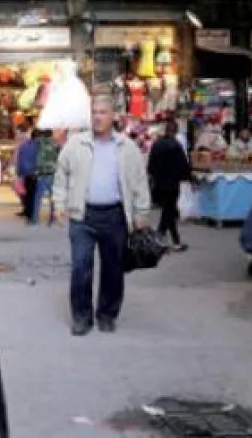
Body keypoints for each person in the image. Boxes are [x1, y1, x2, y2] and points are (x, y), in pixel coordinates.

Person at [52, 95, 151, 336]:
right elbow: (61, 175)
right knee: (80, 268)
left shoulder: (127, 148)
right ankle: (82, 318)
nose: (97, 117)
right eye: (94, 112)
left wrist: (141, 212)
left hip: (115, 216)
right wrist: (59, 203)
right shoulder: (76, 145)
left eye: (102, 112)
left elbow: (139, 182)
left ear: (114, 116)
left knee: (113, 269)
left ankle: (107, 315)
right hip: (83, 216)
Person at [148, 120, 192, 252]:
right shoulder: (176, 146)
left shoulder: (157, 144)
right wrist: (187, 177)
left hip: (159, 183)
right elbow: (183, 165)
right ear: (175, 131)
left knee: (168, 211)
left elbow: (151, 166)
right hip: (172, 184)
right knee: (169, 211)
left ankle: (173, 240)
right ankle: (162, 238)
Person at [14, 123, 40, 223]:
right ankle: (31, 215)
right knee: (33, 195)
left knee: (28, 194)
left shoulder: (24, 145)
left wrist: (19, 172)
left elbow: (20, 159)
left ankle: (28, 213)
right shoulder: (37, 146)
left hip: (25, 172)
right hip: (34, 172)